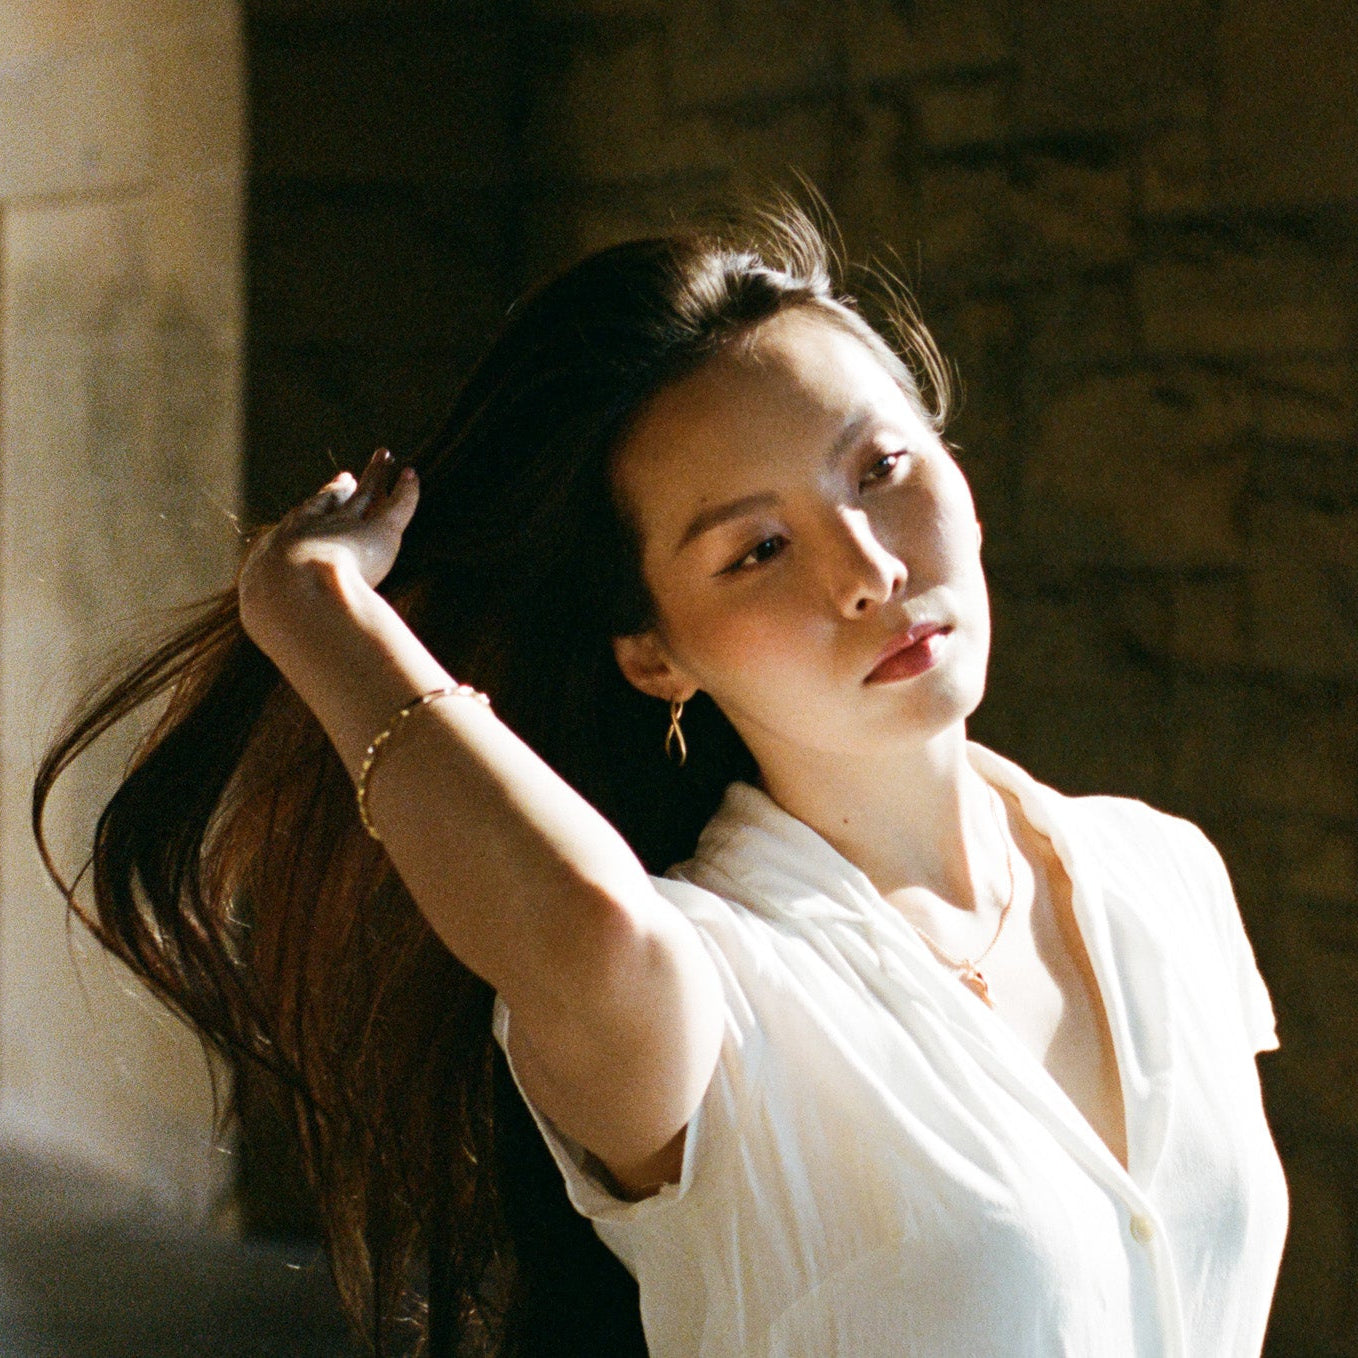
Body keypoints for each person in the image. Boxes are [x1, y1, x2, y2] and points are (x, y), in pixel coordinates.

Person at [34, 201, 1287, 1357]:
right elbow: (591, 926)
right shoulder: (704, 992)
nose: (866, 570)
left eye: (880, 469)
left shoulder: (1159, 872)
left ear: (952, 465)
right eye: (757, 548)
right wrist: (313, 609)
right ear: (654, 653)